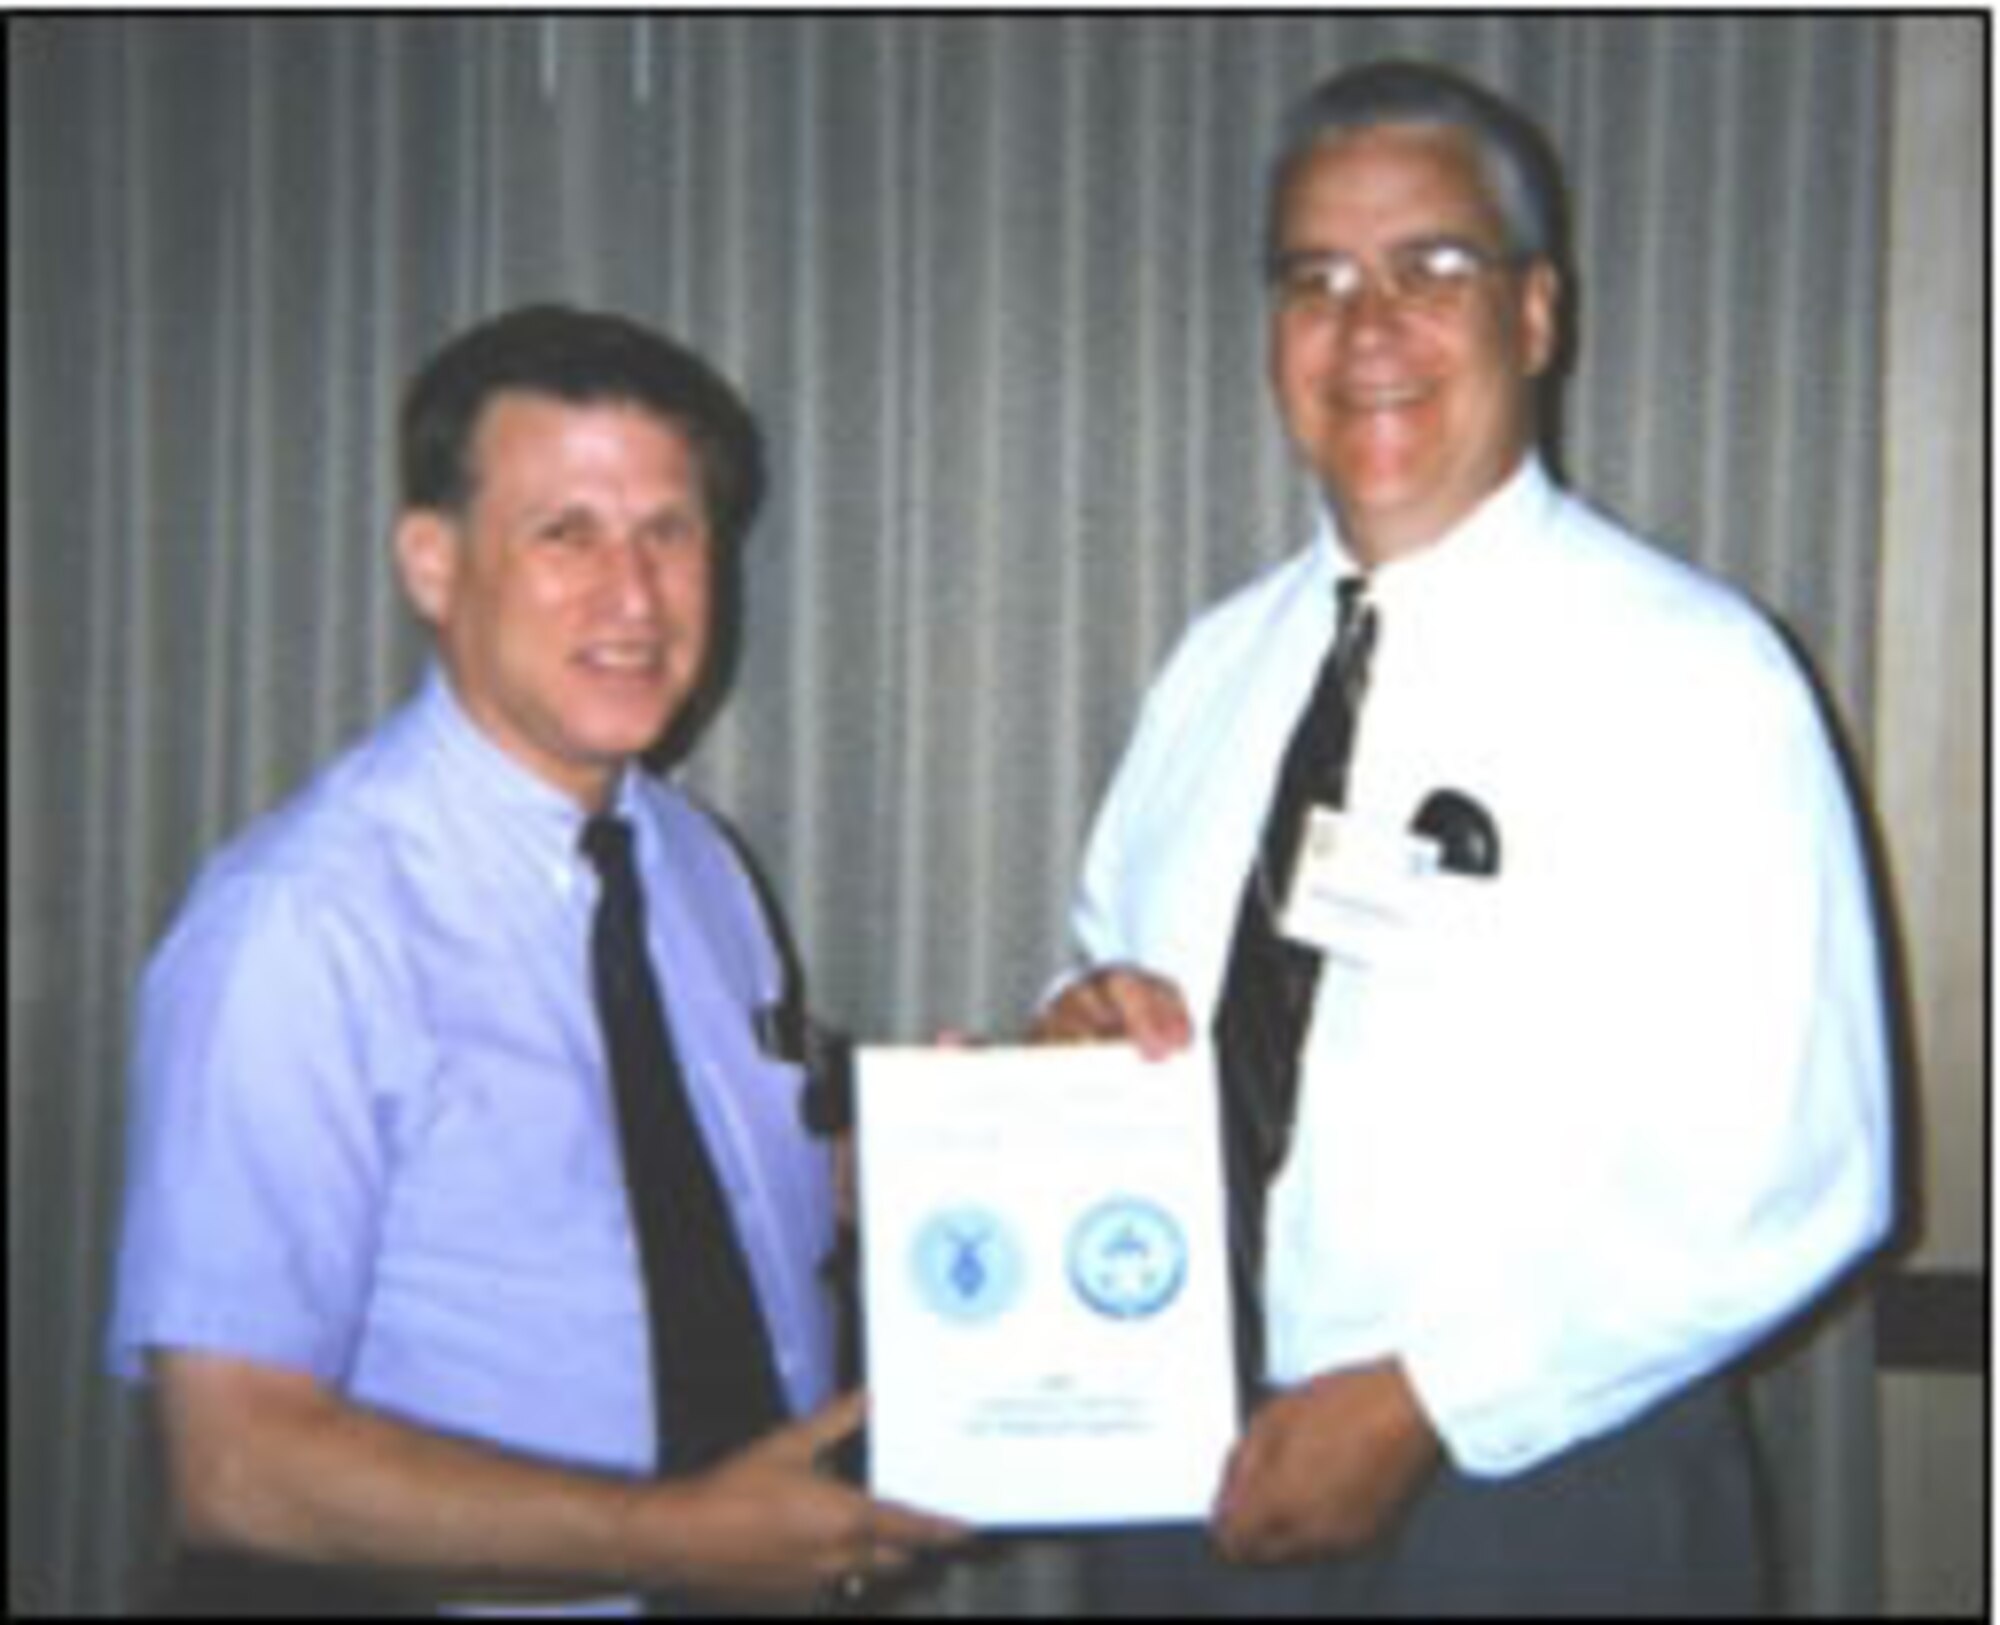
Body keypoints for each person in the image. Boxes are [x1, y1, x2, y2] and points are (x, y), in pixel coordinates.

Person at [1036, 61, 1893, 1614]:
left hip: (1540, 1493)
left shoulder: (1697, 675)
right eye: (1318, 281)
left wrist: (1427, 1396)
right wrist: (1086, 1025)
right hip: (1176, 1468)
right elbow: (1113, 960)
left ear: (1539, 315)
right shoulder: (1213, 667)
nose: (1368, 330)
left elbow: (1801, 1168)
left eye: (1432, 267)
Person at [107, 305, 965, 1614]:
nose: (633, 594)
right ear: (433, 564)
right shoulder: (300, 924)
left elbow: (709, 1183)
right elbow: (236, 1464)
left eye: (670, 532)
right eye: (565, 531)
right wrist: (676, 1537)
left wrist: (973, 1140)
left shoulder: (694, 864)